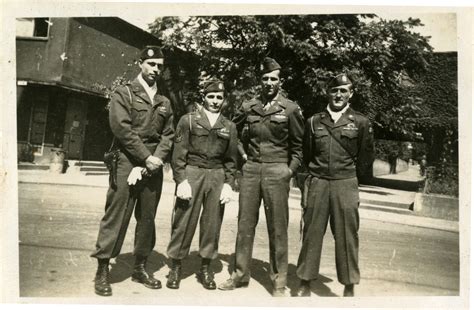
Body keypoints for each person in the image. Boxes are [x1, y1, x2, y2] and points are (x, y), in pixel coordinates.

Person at [91, 46, 175, 296]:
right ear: (141, 64)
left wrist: (157, 158)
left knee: (147, 217)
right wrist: (146, 157)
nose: (155, 70)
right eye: (151, 65)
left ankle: (140, 267)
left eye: (159, 66)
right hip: (127, 160)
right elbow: (122, 129)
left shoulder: (164, 100)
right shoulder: (124, 93)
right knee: (117, 214)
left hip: (153, 164)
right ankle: (103, 268)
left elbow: (168, 134)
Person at [218, 57, 304, 297]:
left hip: (278, 170)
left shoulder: (290, 109)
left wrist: (289, 171)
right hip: (252, 169)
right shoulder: (249, 107)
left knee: (278, 228)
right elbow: (231, 132)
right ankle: (239, 275)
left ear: (280, 81)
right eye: (265, 78)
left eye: (273, 79)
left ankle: (278, 282)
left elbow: (298, 147)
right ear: (260, 81)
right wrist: (243, 155)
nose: (268, 83)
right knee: (245, 224)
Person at [295, 73, 374, 297]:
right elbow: (307, 153)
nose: (338, 95)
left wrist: (348, 177)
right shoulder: (314, 121)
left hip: (345, 183)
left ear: (351, 94)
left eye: (343, 90)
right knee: (312, 233)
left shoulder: (360, 122)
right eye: (334, 90)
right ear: (327, 93)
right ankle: (305, 282)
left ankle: (349, 285)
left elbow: (366, 157)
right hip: (318, 182)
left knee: (347, 235)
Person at [166, 80, 237, 290]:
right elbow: (178, 153)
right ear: (204, 97)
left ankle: (205, 267)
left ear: (223, 100)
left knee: (212, 224)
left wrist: (228, 184)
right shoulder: (188, 121)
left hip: (216, 175)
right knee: (183, 220)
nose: (215, 101)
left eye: (219, 97)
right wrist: (181, 180)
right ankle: (176, 266)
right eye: (211, 96)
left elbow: (232, 160)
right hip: (193, 172)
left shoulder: (229, 126)